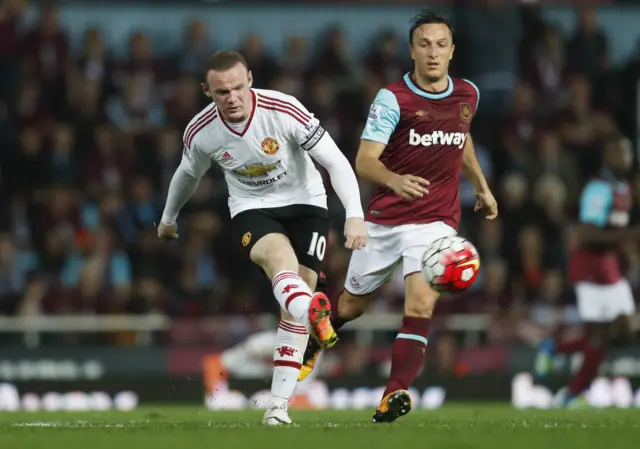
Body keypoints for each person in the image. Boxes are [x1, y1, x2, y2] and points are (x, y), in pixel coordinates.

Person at [297, 10, 497, 423]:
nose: (433, 53)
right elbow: (364, 161)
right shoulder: (392, 99)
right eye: (424, 44)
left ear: (452, 50)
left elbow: (463, 136)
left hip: (437, 221)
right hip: (386, 220)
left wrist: (480, 185)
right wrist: (395, 179)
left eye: (441, 44)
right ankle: (317, 335)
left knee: (421, 304)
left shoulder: (468, 95)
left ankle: (394, 394)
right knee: (351, 307)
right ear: (411, 51)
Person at [158, 50, 368, 425]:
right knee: (279, 263)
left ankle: (278, 407)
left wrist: (354, 215)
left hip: (307, 204)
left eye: (238, 87)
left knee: (292, 307)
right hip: (252, 207)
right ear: (207, 91)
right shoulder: (202, 130)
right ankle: (312, 314)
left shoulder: (284, 110)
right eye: (222, 92)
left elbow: (334, 160)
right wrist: (168, 218)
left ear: (250, 80)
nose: (233, 98)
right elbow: (186, 175)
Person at [534, 134, 638, 408]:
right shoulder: (599, 188)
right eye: (620, 152)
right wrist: (628, 237)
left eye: (628, 153)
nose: (626, 158)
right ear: (608, 158)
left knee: (625, 329)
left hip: (609, 267)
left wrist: (625, 248)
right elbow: (587, 232)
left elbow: (614, 231)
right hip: (589, 266)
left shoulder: (624, 187)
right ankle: (571, 394)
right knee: (600, 338)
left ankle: (555, 349)